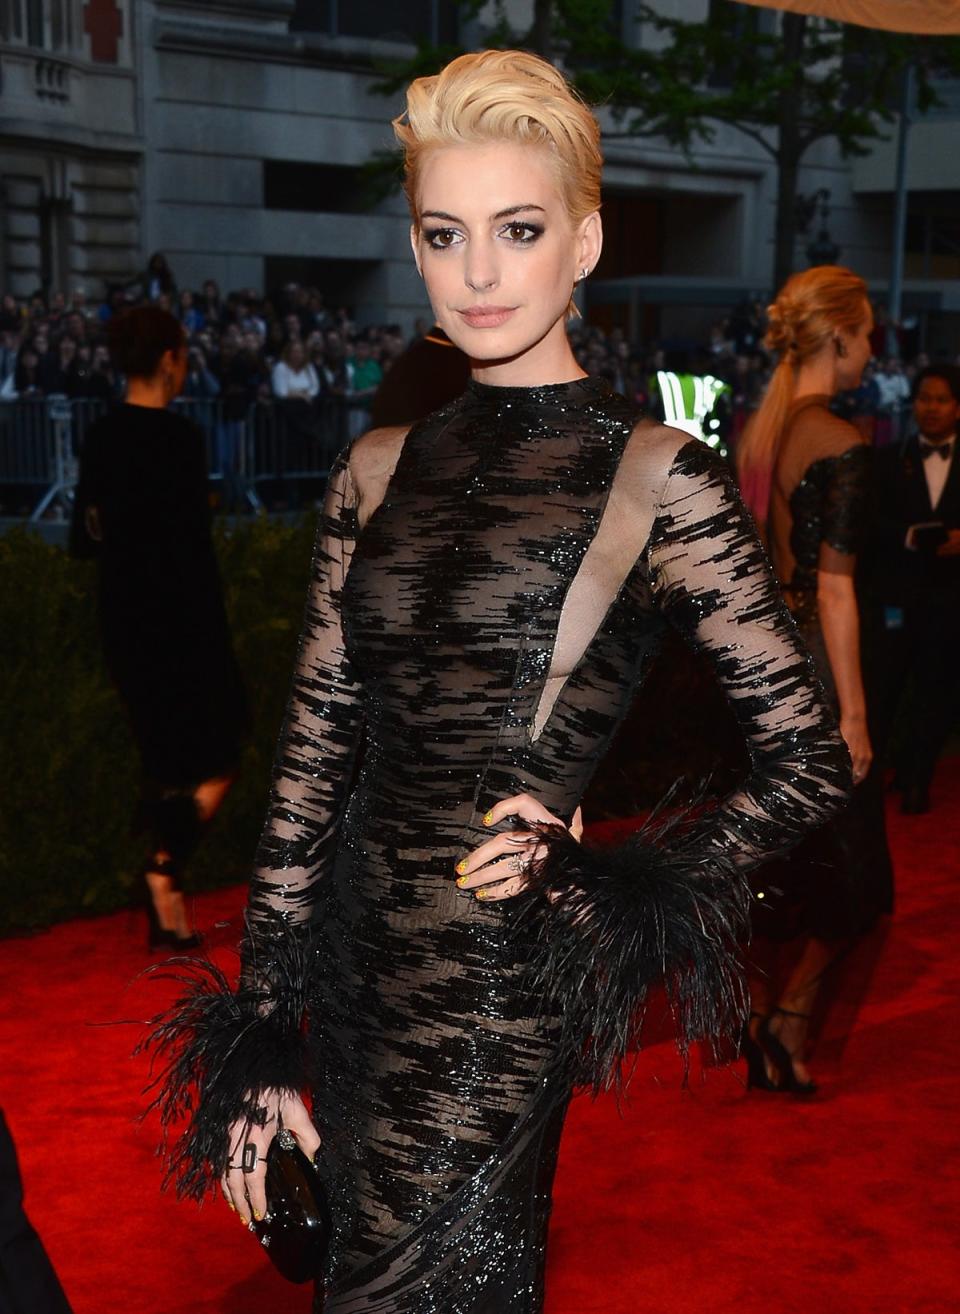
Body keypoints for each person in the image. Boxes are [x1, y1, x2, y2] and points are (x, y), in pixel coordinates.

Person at [148, 52, 849, 1312]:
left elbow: (810, 758)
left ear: (582, 243)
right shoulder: (372, 469)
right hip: (351, 970)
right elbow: (312, 770)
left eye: (516, 231)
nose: (477, 272)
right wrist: (259, 1037)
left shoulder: (658, 478)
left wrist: (616, 882)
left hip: (496, 988)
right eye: (443, 233)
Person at [737, 265, 892, 1094]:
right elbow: (834, 587)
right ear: (838, 335)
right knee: (861, 884)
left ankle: (763, 1023)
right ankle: (787, 1025)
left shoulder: (761, 437)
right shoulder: (840, 443)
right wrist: (857, 717)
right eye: (867, 333)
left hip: (763, 682)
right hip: (820, 685)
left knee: (788, 868)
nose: (873, 350)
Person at [71, 306, 248, 948]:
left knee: (168, 759)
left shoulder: (98, 435)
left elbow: (85, 537)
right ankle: (163, 868)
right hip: (181, 621)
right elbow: (191, 553)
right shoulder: (179, 440)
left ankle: (167, 896)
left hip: (124, 618)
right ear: (171, 358)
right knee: (225, 744)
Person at [860, 365, 960, 815]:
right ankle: (871, 779)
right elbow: (866, 523)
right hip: (895, 596)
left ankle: (917, 779)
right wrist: (908, 536)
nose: (931, 408)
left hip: (950, 599)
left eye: (940, 399)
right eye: (924, 398)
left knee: (935, 693)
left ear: (957, 407)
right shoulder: (885, 458)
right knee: (884, 690)